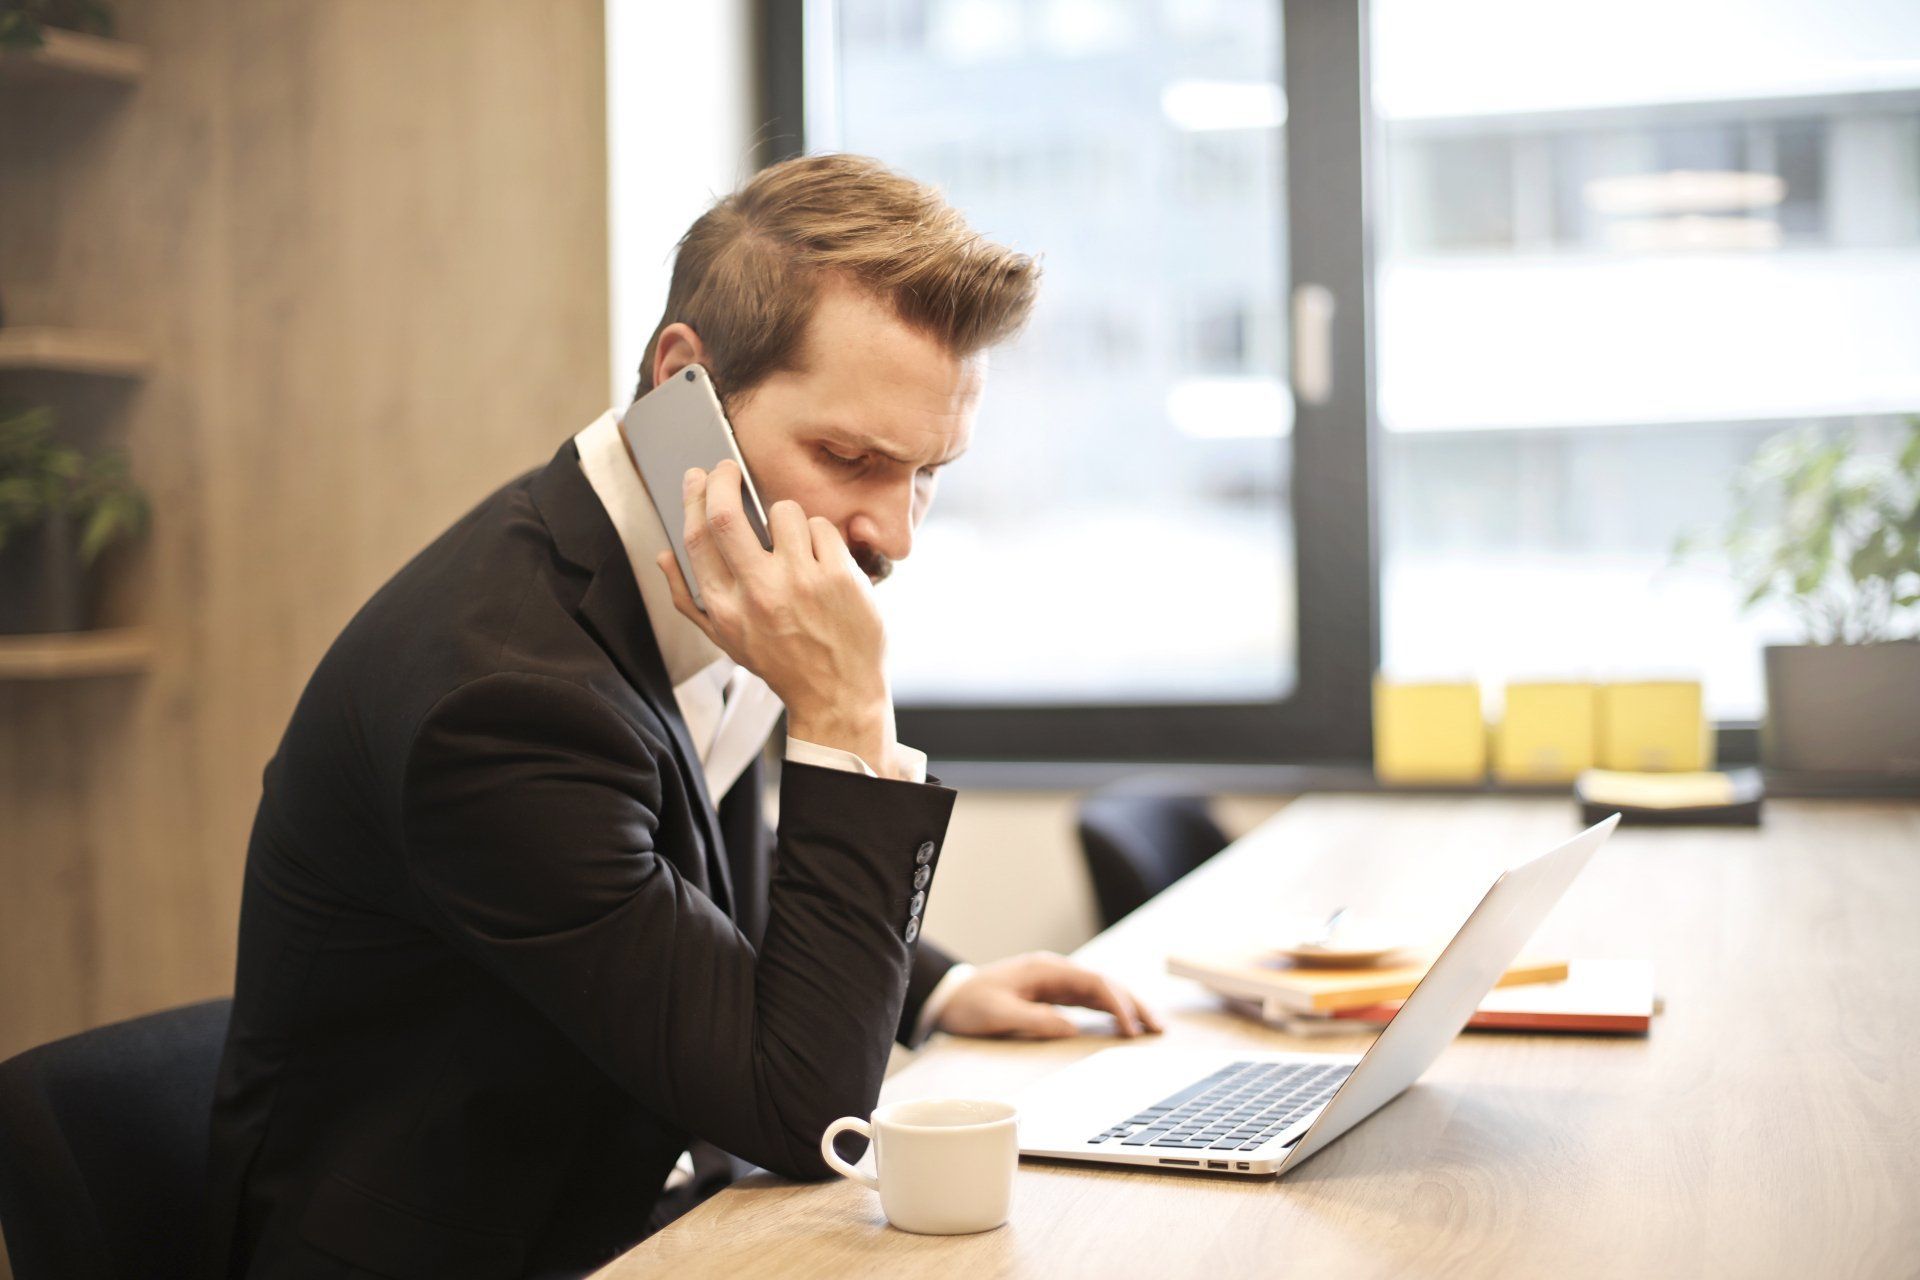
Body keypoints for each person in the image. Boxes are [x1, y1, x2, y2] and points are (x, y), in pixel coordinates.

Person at [198, 153, 1162, 1279]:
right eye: (849, 457)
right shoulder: (502, 700)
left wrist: (932, 985)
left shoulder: (711, 553)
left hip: (642, 1205)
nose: (892, 534)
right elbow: (806, 1113)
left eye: (928, 473)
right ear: (681, 387)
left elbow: (686, 854)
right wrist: (846, 711)